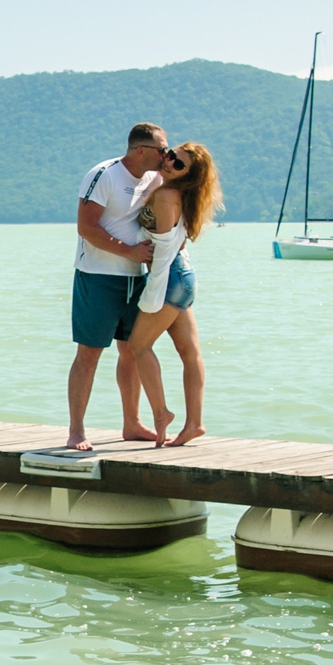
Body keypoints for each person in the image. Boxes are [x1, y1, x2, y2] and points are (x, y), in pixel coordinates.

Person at [66, 122, 167, 450]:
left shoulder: (154, 178)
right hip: (97, 277)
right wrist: (129, 252)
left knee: (132, 350)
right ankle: (76, 431)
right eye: (161, 149)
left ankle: (132, 424)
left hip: (136, 279)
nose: (166, 155)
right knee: (89, 353)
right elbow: (86, 227)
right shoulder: (104, 175)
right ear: (141, 150)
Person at [123, 141, 221, 446]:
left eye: (179, 164)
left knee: (138, 346)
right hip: (184, 277)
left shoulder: (166, 195)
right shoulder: (174, 191)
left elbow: (165, 247)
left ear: (188, 175)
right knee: (189, 353)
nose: (170, 163)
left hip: (170, 277)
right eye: (171, 156)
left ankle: (162, 413)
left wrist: (153, 290)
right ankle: (195, 423)